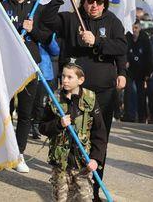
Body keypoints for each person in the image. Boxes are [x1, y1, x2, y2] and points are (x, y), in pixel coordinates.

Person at [40, 0, 127, 200]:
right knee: (69, 136)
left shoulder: (113, 21)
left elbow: (121, 47)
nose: (94, 5)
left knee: (98, 139)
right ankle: (67, 186)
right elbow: (46, 20)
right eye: (90, 1)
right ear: (83, 1)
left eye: (99, 2)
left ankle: (94, 189)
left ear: (105, 3)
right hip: (74, 91)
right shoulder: (71, 19)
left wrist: (98, 44)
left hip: (103, 92)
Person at [2, 0, 52, 173]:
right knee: (5, 111)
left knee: (25, 112)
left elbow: (46, 38)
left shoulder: (36, 7)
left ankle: (19, 153)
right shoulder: (3, 5)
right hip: (7, 65)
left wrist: (32, 31)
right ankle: (2, 151)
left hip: (29, 66)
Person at [39, 64, 107, 202]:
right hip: (61, 165)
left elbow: (99, 133)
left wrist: (95, 159)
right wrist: (59, 124)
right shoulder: (54, 98)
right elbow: (42, 127)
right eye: (63, 76)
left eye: (70, 77)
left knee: (85, 198)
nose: (65, 80)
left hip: (82, 163)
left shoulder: (90, 99)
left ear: (80, 80)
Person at [31, 32, 60, 139]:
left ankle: (36, 124)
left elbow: (55, 51)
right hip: (27, 73)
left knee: (41, 102)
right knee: (30, 102)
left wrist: (48, 39)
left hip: (44, 74)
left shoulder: (45, 32)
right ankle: (30, 122)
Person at [123, 20, 153, 123]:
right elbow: (123, 52)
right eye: (132, 28)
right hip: (130, 71)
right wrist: (125, 61)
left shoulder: (145, 39)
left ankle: (141, 116)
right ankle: (129, 115)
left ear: (139, 28)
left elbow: (149, 57)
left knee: (141, 95)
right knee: (129, 93)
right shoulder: (127, 38)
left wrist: (147, 73)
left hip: (141, 71)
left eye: (136, 28)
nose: (134, 30)